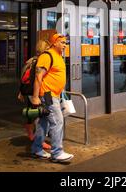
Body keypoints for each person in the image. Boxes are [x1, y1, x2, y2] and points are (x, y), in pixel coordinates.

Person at [31, 33, 74, 162]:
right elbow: (38, 77)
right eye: (62, 42)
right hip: (47, 95)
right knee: (57, 121)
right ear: (54, 43)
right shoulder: (47, 56)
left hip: (54, 94)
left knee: (44, 123)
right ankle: (57, 153)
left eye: (65, 43)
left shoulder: (58, 56)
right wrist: (35, 97)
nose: (64, 45)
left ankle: (37, 148)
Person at [17, 39, 51, 150]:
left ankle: (32, 134)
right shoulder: (41, 61)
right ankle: (39, 141)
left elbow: (23, 76)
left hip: (31, 92)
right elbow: (37, 78)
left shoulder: (31, 60)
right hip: (40, 92)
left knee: (33, 114)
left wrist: (21, 91)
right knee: (42, 115)